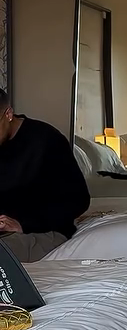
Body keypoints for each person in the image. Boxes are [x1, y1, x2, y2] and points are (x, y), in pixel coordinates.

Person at [0, 89, 91, 262]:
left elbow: (78, 200)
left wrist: (23, 224)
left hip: (40, 232)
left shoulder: (47, 140)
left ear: (8, 114)